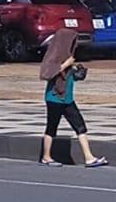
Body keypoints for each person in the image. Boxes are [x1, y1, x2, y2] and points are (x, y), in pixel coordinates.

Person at [38, 27, 108, 168]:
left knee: (80, 126)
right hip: (55, 98)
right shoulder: (53, 55)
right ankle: (46, 157)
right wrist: (66, 64)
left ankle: (89, 158)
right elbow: (47, 73)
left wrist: (77, 72)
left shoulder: (67, 56)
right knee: (52, 127)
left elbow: (68, 77)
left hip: (67, 99)